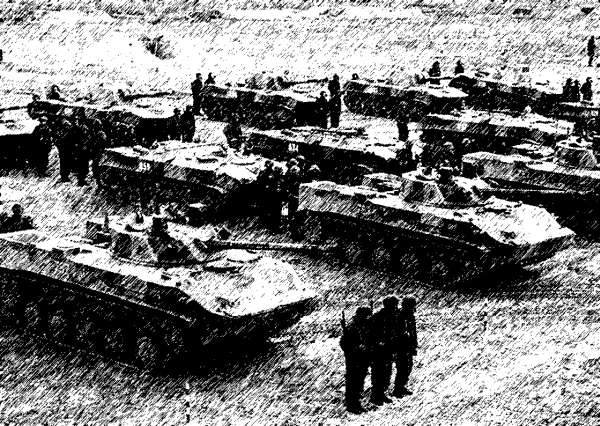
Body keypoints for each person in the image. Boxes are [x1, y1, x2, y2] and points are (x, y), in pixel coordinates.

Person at [340, 306, 373, 414]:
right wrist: (356, 348)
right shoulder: (352, 327)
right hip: (354, 359)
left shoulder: (364, 326)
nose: (368, 318)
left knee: (359, 382)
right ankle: (351, 405)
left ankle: (357, 403)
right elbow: (344, 344)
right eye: (366, 316)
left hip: (363, 358)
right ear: (360, 315)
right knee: (352, 382)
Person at [394, 296, 418, 396]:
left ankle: (401, 386)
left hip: (408, 345)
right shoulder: (399, 315)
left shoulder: (410, 315)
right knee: (402, 367)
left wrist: (414, 344)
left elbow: (413, 331)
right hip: (401, 346)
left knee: (408, 366)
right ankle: (398, 389)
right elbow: (399, 331)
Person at [72, 110, 92, 186]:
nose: (76, 121)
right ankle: (81, 180)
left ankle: (81, 180)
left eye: (77, 119)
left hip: (82, 149)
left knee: (83, 165)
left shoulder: (83, 128)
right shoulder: (77, 128)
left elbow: (87, 138)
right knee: (81, 165)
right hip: (80, 149)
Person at [284, 159, 302, 238]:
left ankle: (293, 231)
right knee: (295, 214)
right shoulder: (295, 179)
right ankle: (294, 231)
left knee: (292, 214)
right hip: (295, 196)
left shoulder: (289, 174)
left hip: (293, 196)